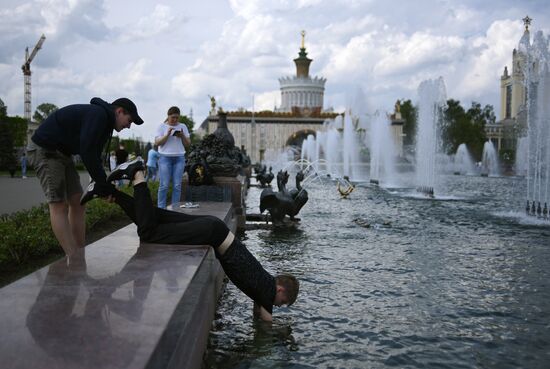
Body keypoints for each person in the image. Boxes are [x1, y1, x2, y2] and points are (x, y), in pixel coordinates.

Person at [81, 158, 299, 321]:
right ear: (280, 290)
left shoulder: (264, 282)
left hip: (213, 227)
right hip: (210, 233)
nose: (278, 306)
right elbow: (266, 322)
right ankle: (138, 175)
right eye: (282, 303)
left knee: (154, 217)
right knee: (149, 233)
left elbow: (258, 305)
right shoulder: (267, 291)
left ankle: (103, 189)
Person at [27, 97, 143, 262]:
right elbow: (87, 151)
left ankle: (80, 252)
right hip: (45, 151)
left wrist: (105, 186)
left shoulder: (105, 123)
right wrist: (104, 186)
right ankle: (74, 257)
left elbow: (94, 156)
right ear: (119, 111)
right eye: (129, 120)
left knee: (77, 201)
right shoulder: (99, 115)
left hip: (62, 154)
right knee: (59, 204)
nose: (129, 125)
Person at [154, 106, 190, 209]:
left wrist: (182, 136)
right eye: (173, 117)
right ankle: (161, 208)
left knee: (177, 185)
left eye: (177, 118)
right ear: (168, 116)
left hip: (179, 158)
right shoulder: (161, 126)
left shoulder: (183, 126)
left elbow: (188, 144)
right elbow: (157, 143)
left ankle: (175, 209)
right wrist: (167, 134)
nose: (175, 120)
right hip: (165, 158)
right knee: (164, 185)